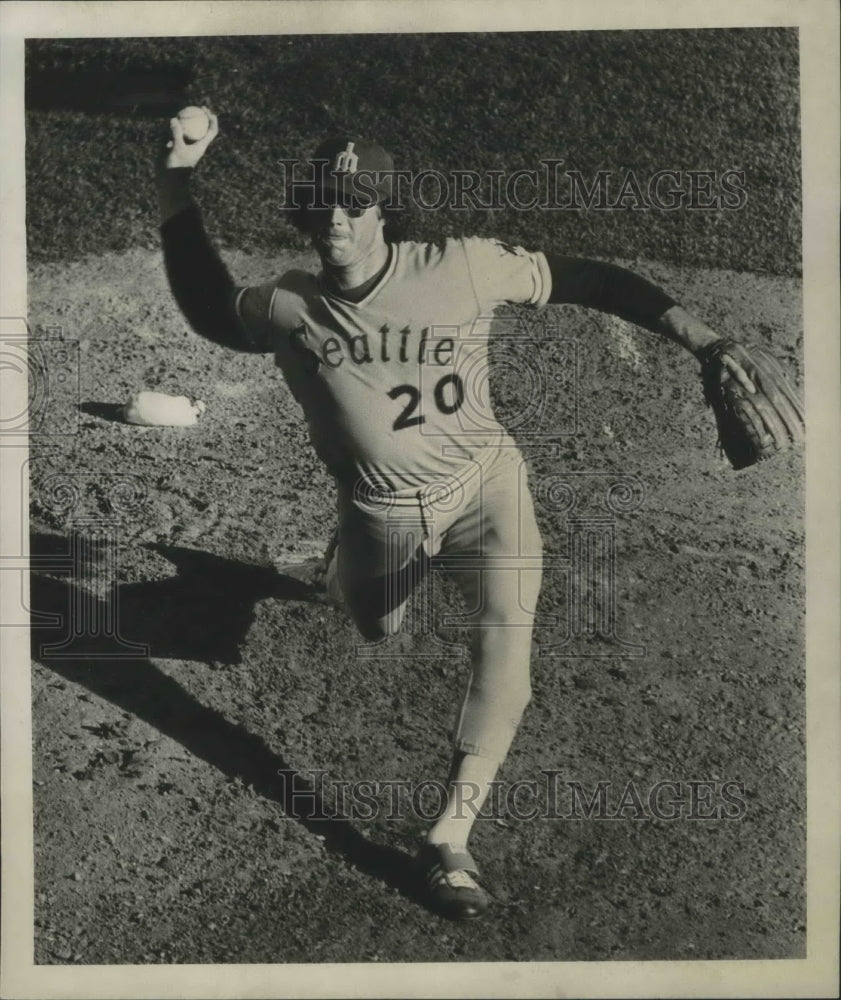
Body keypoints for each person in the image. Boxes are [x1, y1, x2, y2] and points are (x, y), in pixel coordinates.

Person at [155, 109, 742, 920]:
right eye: (323, 203)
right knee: (375, 626)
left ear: (384, 211)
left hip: (485, 488)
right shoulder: (289, 307)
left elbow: (590, 281)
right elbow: (208, 309)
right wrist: (176, 176)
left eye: (356, 204)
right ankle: (331, 568)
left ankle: (447, 837)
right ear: (302, 209)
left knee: (507, 640)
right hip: (379, 513)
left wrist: (704, 340)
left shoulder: (461, 266)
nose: (337, 220)